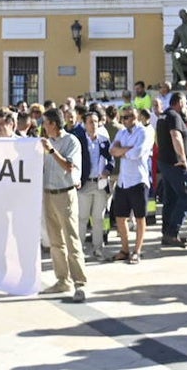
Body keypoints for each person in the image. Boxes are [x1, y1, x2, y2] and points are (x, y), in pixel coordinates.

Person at [39, 107, 87, 303]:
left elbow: (69, 166)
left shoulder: (70, 141)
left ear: (53, 124)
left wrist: (51, 150)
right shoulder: (44, 142)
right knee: (55, 241)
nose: (43, 126)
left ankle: (80, 284)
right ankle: (62, 279)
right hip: (48, 194)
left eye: (45, 123)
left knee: (71, 239)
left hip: (65, 195)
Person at [109, 106, 151, 264]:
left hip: (138, 180)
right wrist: (126, 150)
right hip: (123, 181)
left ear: (137, 117)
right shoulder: (121, 132)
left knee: (140, 218)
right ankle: (125, 249)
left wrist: (122, 151)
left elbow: (138, 153)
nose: (127, 120)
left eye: (130, 116)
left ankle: (137, 251)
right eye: (124, 117)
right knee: (120, 218)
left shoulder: (144, 132)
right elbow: (112, 150)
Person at [155, 91, 187, 248]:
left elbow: (159, 140)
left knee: (170, 199)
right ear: (178, 103)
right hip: (175, 164)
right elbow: (175, 136)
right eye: (185, 103)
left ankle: (167, 234)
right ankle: (172, 232)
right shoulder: (174, 116)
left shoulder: (163, 116)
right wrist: (183, 159)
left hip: (165, 163)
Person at [71, 110, 113, 261]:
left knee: (98, 218)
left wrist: (108, 170)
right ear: (85, 124)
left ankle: (98, 248)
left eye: (96, 121)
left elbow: (111, 159)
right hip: (85, 184)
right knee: (82, 218)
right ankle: (79, 249)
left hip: (100, 184)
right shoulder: (79, 140)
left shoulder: (103, 140)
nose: (93, 125)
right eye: (90, 122)